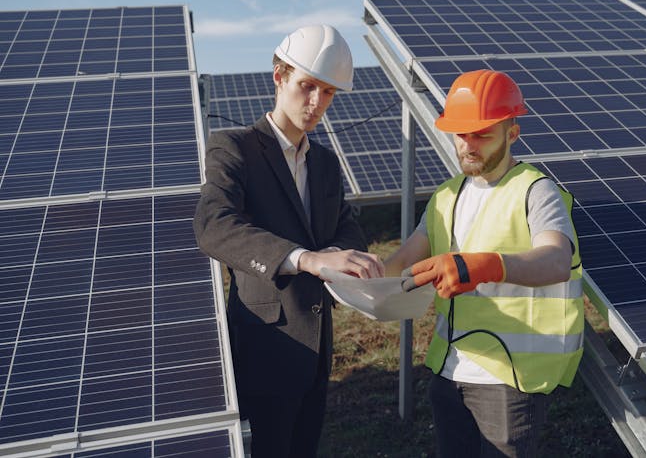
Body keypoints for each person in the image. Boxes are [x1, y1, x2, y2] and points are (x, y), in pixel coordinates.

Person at [193, 24, 384, 458]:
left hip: (319, 345)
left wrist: (335, 254)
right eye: (307, 86)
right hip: (266, 344)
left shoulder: (326, 164)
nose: (317, 103)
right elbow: (214, 225)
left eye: (329, 93)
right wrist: (305, 259)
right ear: (279, 77)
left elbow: (348, 228)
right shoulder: (234, 147)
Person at [386, 69, 583, 457]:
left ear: (512, 133)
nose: (468, 145)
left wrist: (488, 265)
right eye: (461, 134)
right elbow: (404, 260)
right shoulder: (445, 196)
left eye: (482, 134)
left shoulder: (535, 190)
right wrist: (356, 271)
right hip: (448, 369)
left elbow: (557, 259)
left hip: (508, 377)